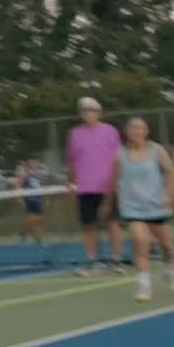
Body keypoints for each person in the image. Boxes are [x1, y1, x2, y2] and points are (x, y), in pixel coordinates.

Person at [110, 117, 174, 303]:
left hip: (157, 206)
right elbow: (116, 180)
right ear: (127, 132)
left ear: (146, 131)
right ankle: (144, 286)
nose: (137, 131)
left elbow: (172, 172)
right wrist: (118, 201)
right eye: (133, 128)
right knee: (140, 242)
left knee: (168, 248)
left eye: (141, 128)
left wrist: (170, 195)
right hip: (133, 209)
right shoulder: (119, 155)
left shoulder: (156, 150)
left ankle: (169, 273)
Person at [65, 96, 126, 275]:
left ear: (99, 113)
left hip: (108, 188)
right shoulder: (75, 134)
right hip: (85, 189)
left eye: (91, 110)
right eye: (84, 110)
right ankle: (93, 261)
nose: (88, 113)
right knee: (88, 225)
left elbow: (118, 159)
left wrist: (116, 182)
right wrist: (72, 183)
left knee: (112, 223)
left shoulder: (111, 131)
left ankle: (117, 260)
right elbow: (72, 161)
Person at [15, 158, 47, 245]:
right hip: (29, 199)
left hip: (38, 200)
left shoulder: (38, 175)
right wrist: (19, 198)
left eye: (36, 163)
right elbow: (18, 185)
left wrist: (43, 198)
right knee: (32, 220)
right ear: (30, 166)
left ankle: (25, 234)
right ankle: (38, 239)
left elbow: (39, 188)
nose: (36, 165)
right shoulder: (26, 175)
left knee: (39, 220)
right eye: (34, 163)